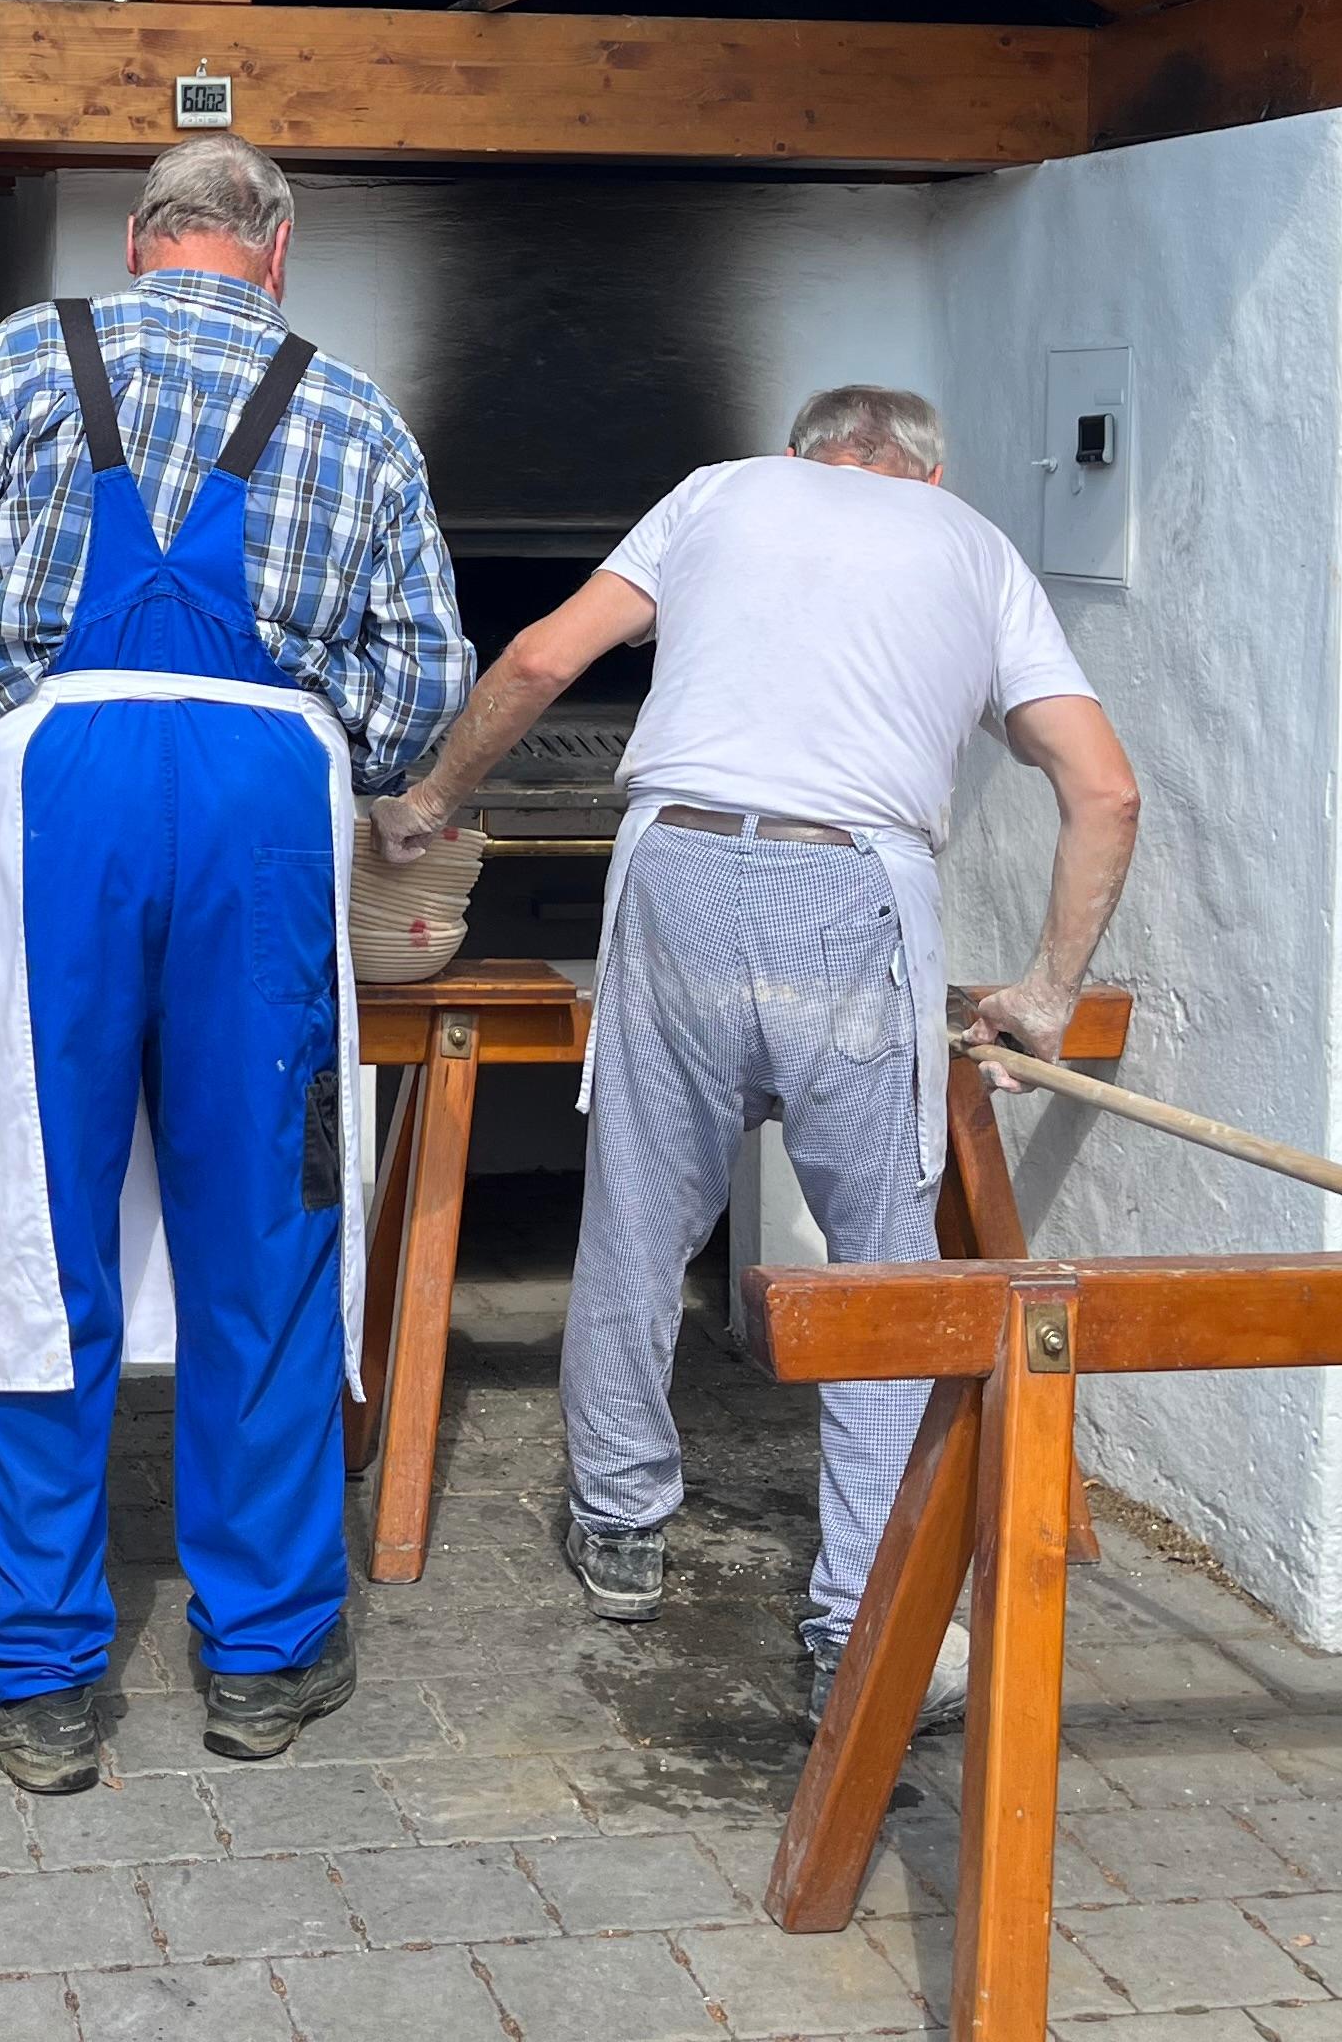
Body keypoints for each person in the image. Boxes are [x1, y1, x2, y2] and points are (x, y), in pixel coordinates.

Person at [0, 135, 470, 1793]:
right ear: (279, 252)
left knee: (35, 1208)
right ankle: (261, 1655)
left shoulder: (26, 357)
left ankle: (39, 1674)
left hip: (59, 800)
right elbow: (416, 695)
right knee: (271, 1207)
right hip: (264, 808)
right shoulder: (357, 410)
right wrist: (341, 751)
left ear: (137, 243)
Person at [372, 384, 1137, 1726]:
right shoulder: (970, 543)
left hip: (676, 873)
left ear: (803, 451)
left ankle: (617, 1524)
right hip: (853, 892)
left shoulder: (722, 489)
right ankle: (860, 1618)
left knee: (638, 1216)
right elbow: (1104, 790)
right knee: (883, 1264)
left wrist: (432, 804)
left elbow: (544, 661)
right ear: (927, 469)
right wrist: (1046, 994)